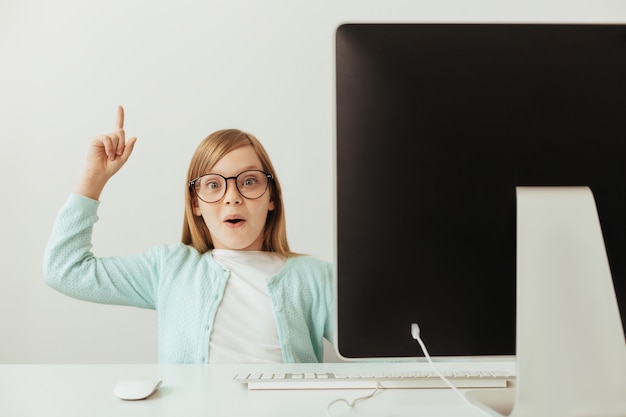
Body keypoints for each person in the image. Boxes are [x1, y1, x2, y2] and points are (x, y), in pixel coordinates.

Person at [43, 106, 334, 364]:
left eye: (249, 181)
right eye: (213, 185)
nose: (232, 197)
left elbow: (374, 355)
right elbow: (64, 270)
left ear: (271, 197)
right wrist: (93, 179)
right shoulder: (170, 268)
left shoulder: (316, 277)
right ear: (195, 203)